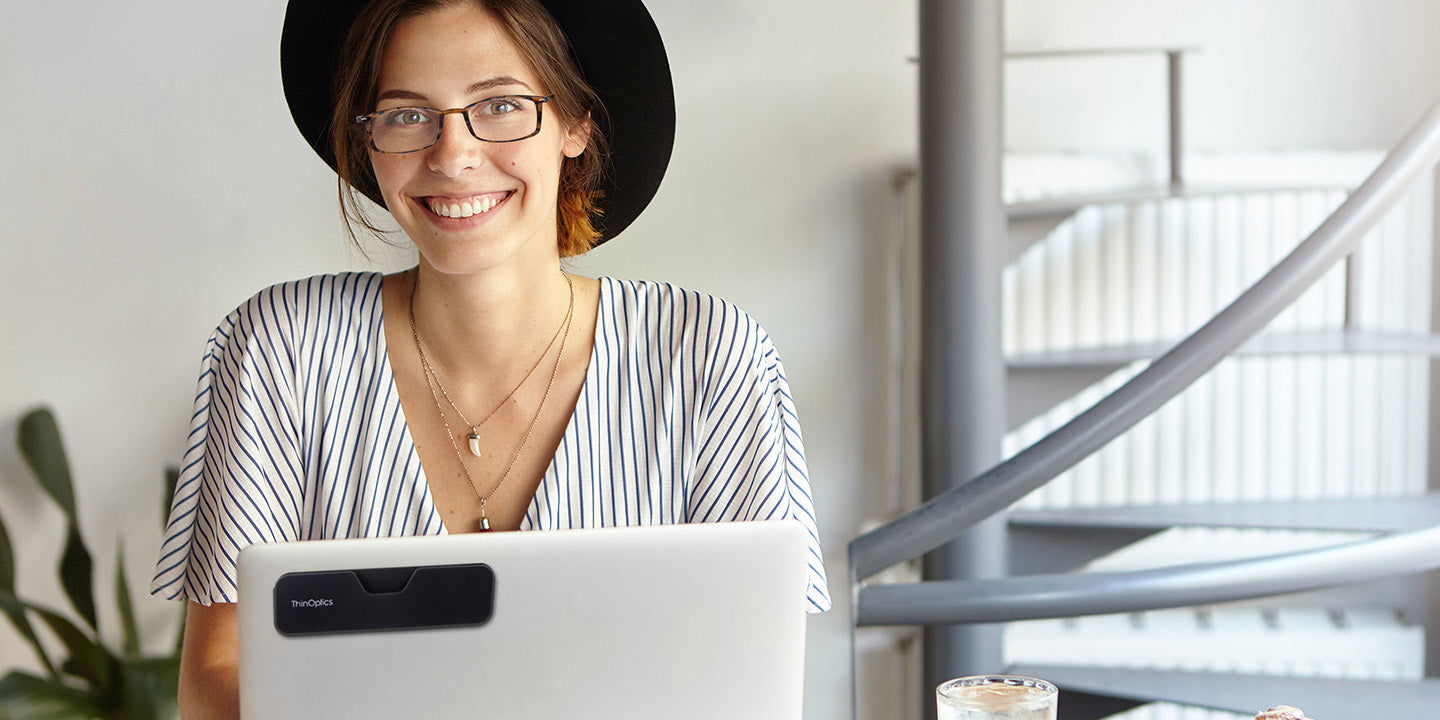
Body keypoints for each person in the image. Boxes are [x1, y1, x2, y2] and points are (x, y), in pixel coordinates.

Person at [149, 0, 830, 717]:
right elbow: (216, 676)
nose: (453, 156)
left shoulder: (710, 357)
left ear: (575, 123)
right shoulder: (279, 351)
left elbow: (753, 681)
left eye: (500, 105)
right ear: (368, 139)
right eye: (408, 114)